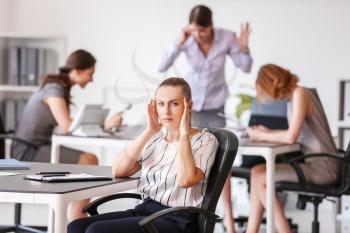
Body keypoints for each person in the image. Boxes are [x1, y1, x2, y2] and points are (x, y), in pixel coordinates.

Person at [67, 77, 219, 233]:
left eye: (174, 103)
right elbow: (119, 170)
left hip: (177, 219)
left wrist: (183, 135)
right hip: (146, 210)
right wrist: (149, 131)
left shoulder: (205, 140)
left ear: (189, 106)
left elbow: (185, 180)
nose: (166, 110)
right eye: (161, 104)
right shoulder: (156, 138)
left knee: (96, 230)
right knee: (76, 226)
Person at [157, 6, 252, 232]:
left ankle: (227, 218)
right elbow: (160, 65)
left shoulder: (227, 37)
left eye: (204, 30)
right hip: (190, 109)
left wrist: (243, 47)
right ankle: (185, 212)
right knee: (188, 161)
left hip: (216, 108)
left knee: (221, 165)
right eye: (196, 30)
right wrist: (179, 41)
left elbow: (246, 67)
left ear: (211, 25)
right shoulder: (187, 39)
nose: (200, 35)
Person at [11, 49, 123, 220]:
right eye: (90, 73)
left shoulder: (58, 87)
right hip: (28, 151)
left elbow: (69, 126)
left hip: (39, 146)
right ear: (77, 70)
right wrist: (104, 124)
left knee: (88, 160)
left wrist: (101, 125)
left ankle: (75, 215)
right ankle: (77, 219)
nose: (92, 79)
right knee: (89, 160)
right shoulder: (54, 89)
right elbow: (67, 126)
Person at [245, 64, 341, 233]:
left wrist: (260, 136)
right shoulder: (295, 97)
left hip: (324, 168)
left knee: (260, 177)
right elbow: (294, 132)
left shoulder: (300, 94)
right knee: (257, 172)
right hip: (317, 164)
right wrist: (269, 132)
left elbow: (291, 137)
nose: (267, 97)